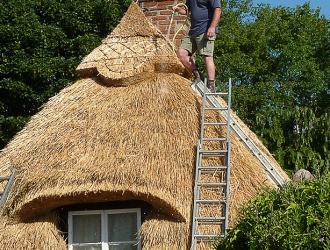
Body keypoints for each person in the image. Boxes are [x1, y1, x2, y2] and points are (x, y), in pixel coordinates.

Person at [173, 0, 221, 92]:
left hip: (206, 30)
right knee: (181, 53)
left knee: (207, 56)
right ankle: (198, 76)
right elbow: (186, 11)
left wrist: (212, 27)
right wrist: (178, 9)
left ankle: (211, 85)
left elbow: (218, 10)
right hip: (193, 31)